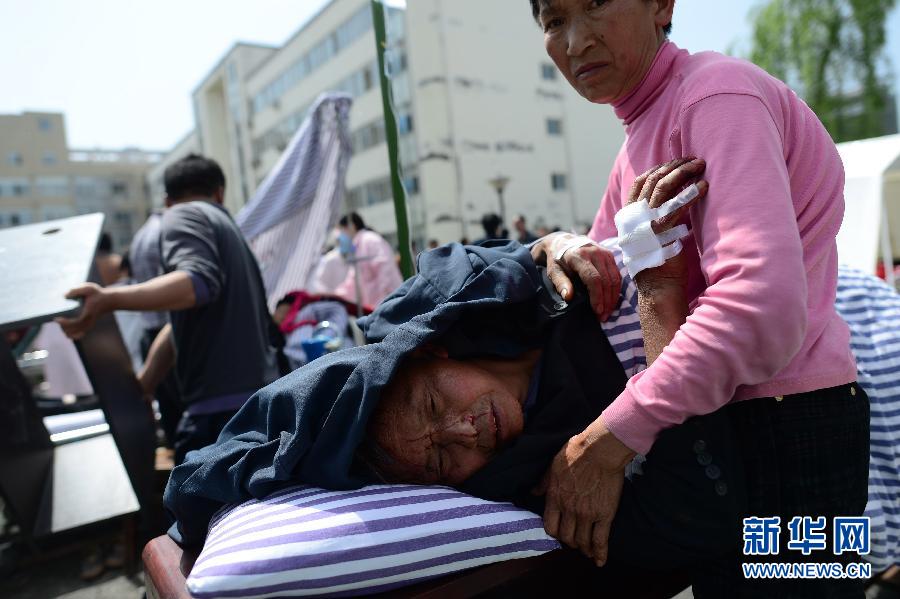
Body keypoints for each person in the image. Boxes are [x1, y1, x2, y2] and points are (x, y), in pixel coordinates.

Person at [526, 2, 866, 596]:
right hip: (724, 424)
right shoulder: (636, 141)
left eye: (597, 4)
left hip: (795, 428)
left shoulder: (715, 95)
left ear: (661, 4)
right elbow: (614, 299)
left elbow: (758, 306)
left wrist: (609, 441)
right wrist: (558, 245)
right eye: (554, 21)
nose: (577, 40)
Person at [58, 154, 280, 464]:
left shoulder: (183, 214)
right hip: (253, 404)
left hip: (219, 419)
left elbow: (196, 284)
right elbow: (182, 321)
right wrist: (146, 382)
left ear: (167, 200)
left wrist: (108, 299)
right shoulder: (226, 227)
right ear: (220, 192)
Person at [332, 212, 403, 309]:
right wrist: (336, 296)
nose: (341, 235)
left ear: (351, 226)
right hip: (377, 305)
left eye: (342, 230)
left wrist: (381, 302)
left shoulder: (370, 240)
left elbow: (385, 270)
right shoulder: (358, 245)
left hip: (389, 301)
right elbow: (353, 280)